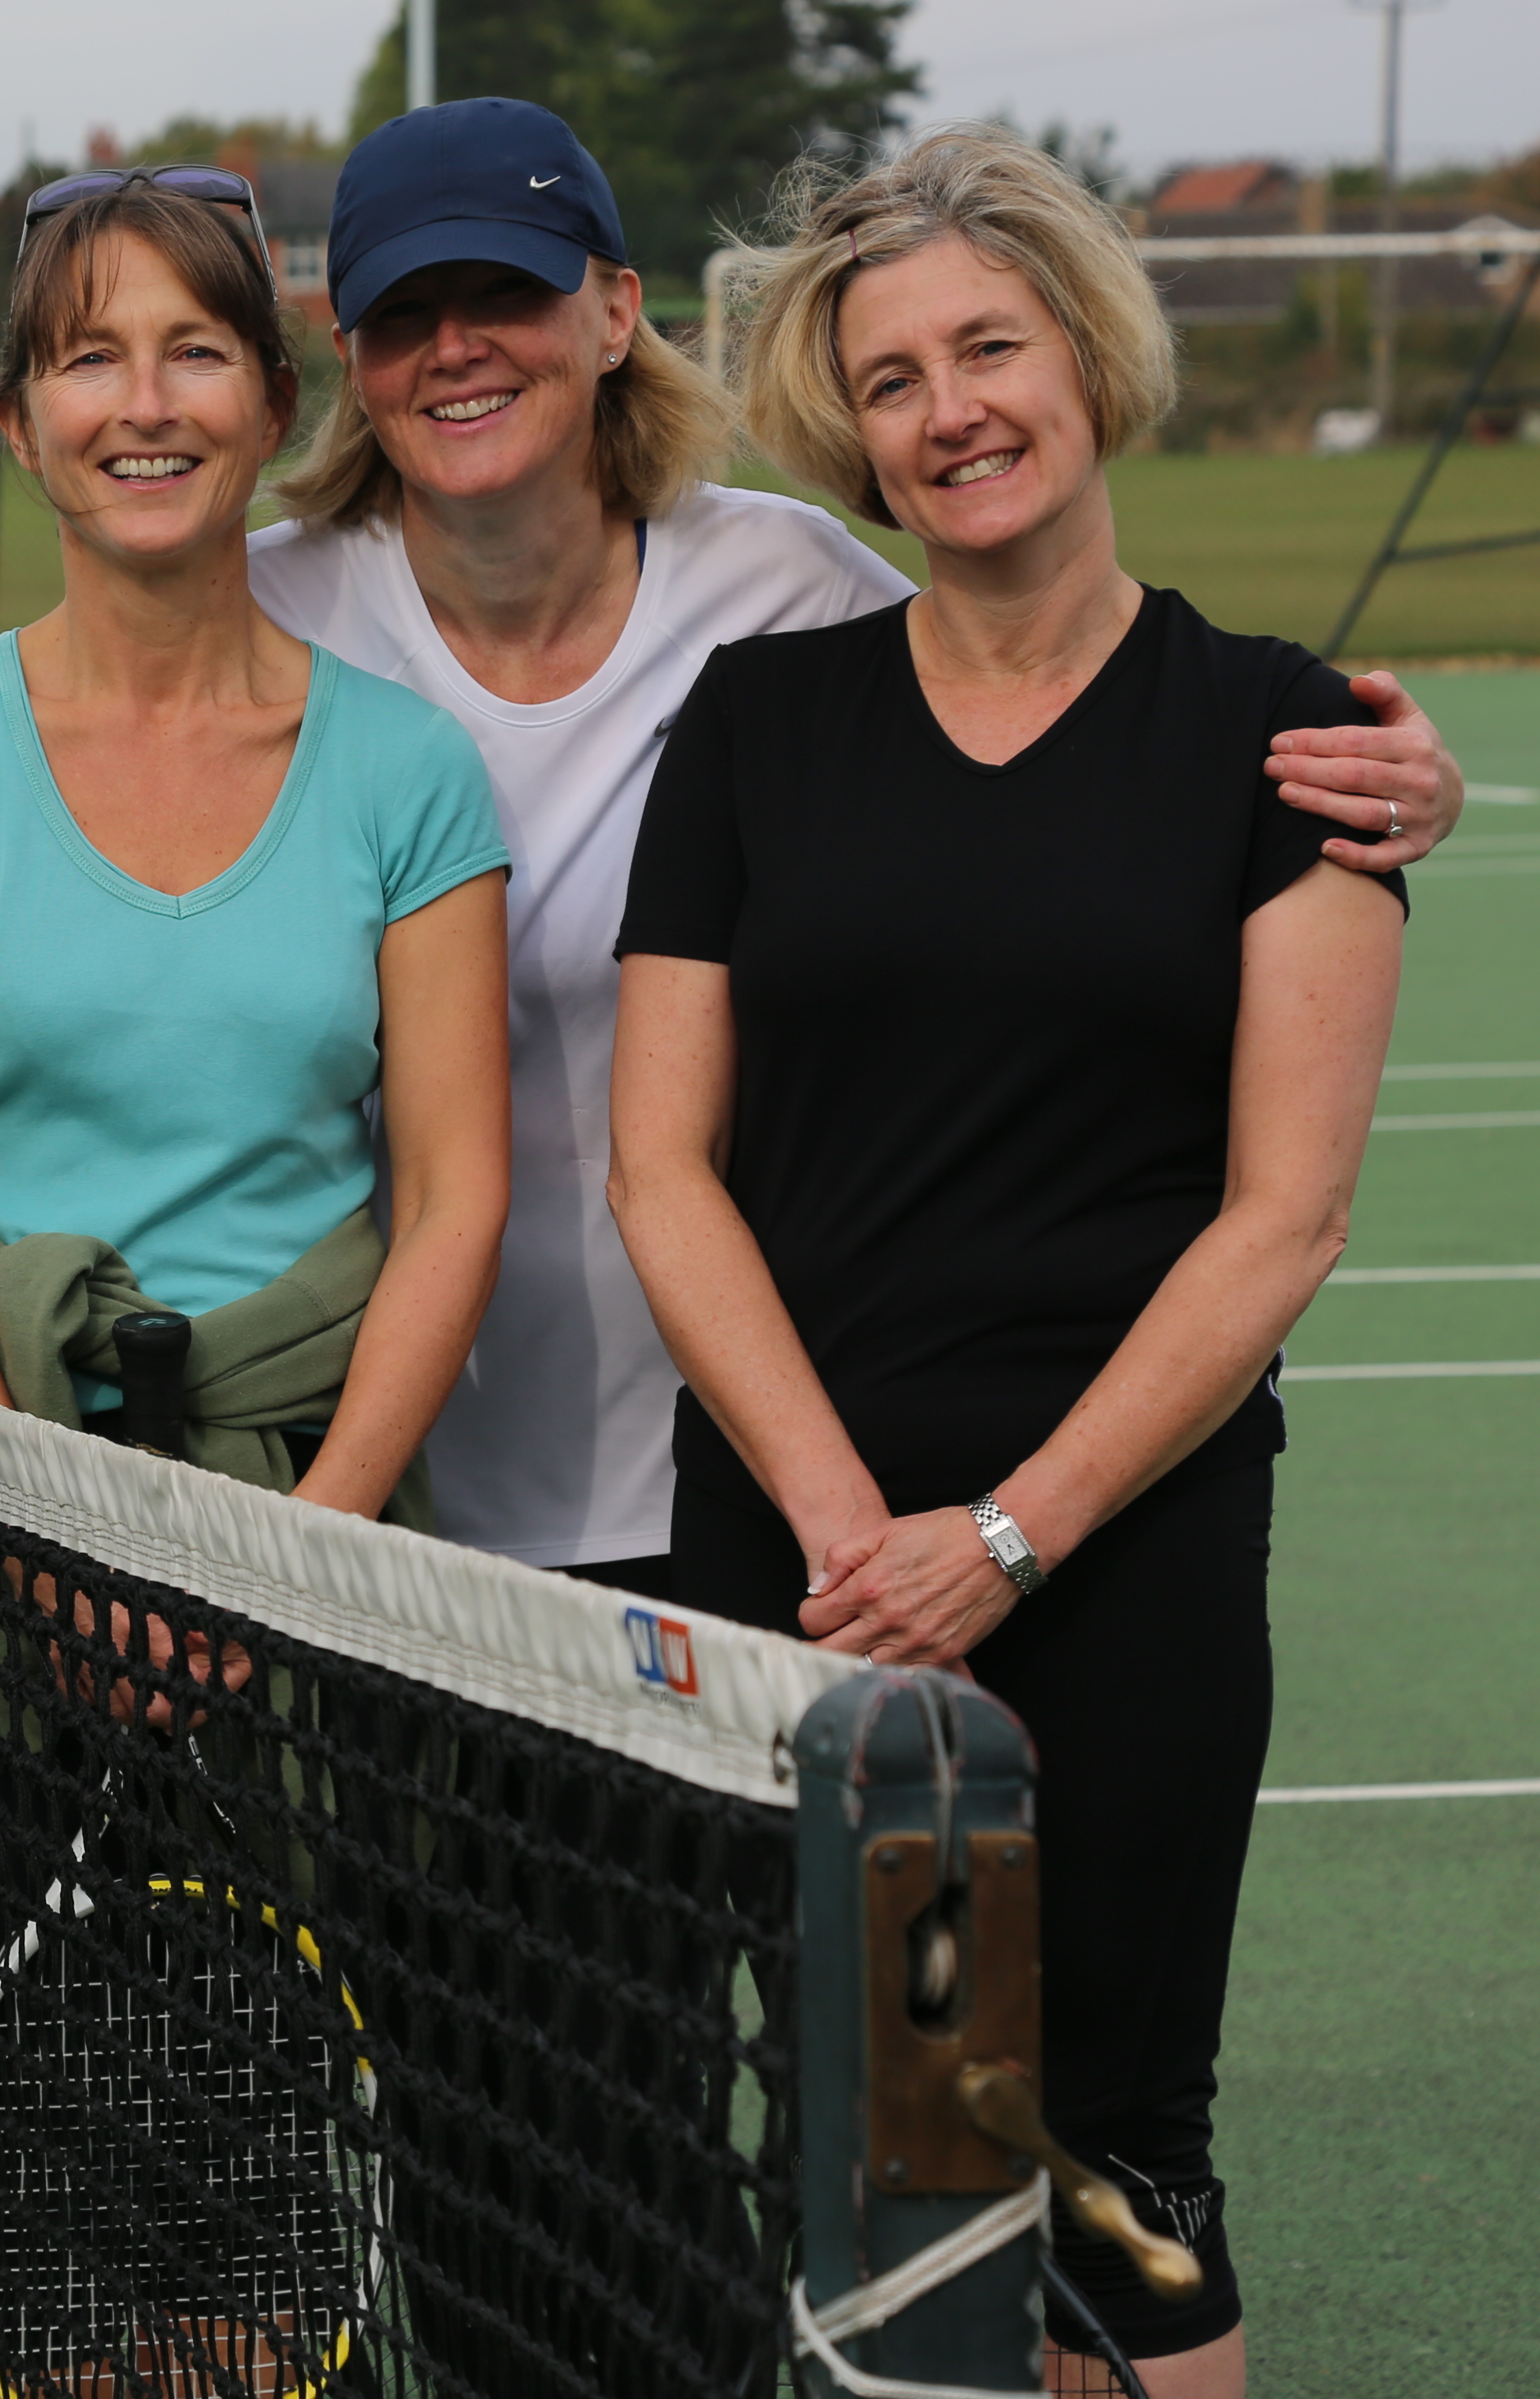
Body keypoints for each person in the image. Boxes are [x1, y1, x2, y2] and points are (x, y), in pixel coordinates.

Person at [247, 98, 1467, 1596]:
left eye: (507, 291)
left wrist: (1388, 783)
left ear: (619, 312)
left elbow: (1044, 711)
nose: (458, 346)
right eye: (403, 311)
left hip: (734, 1455)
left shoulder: (786, 590)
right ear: (346, 354)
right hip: (375, 1462)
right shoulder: (264, 624)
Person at [608, 126, 1409, 2398]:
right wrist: (848, 1538)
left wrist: (1003, 1535)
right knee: (905, 2163)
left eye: (986, 342)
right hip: (815, 1570)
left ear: (1084, 352)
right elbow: (658, 1169)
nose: (947, 406)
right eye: (889, 376)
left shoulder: (1293, 744)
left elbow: (1283, 1216)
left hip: (1117, 1564)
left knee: (1114, 2179)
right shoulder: (756, 726)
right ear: (838, 429)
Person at [0, 170, 511, 1523]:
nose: (147, 405)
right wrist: (47, 1553)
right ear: (22, 425)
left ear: (273, 403)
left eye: (195, 351)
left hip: (318, 1511)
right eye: (92, 360)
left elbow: (451, 1200)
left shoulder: (409, 767)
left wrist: (304, 1562)